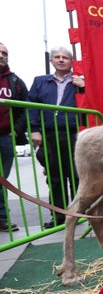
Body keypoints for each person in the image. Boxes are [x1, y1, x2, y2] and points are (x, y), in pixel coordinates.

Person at [27, 46, 85, 229]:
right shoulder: (40, 82)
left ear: (71, 62)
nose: (61, 60)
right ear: (51, 61)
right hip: (49, 135)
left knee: (77, 175)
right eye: (57, 57)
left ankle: (78, 213)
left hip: (75, 134)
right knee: (55, 177)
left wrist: (83, 88)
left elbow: (89, 103)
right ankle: (59, 216)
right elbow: (32, 106)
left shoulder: (79, 82)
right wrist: (34, 130)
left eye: (65, 57)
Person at [0, 42, 29, 232]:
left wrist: (16, 131)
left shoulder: (15, 81)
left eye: (5, 53)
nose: (2, 56)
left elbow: (25, 109)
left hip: (5, 137)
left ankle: (2, 217)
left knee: (2, 179)